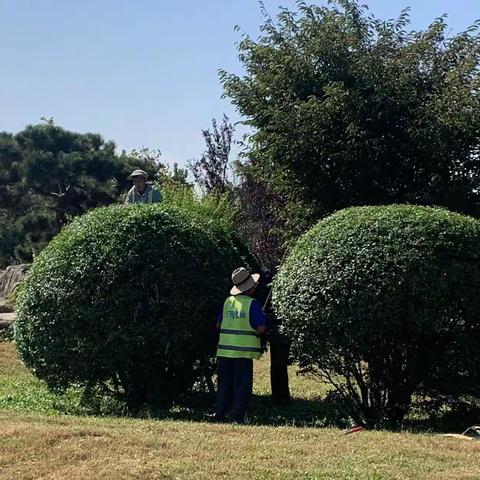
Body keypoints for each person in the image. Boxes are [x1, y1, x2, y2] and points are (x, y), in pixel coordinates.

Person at [214, 267, 267, 424]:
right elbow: (261, 328)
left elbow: (218, 325)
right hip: (243, 353)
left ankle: (220, 414)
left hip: (224, 352)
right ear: (249, 287)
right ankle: (237, 417)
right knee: (242, 386)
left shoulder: (227, 302)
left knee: (224, 385)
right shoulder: (252, 304)